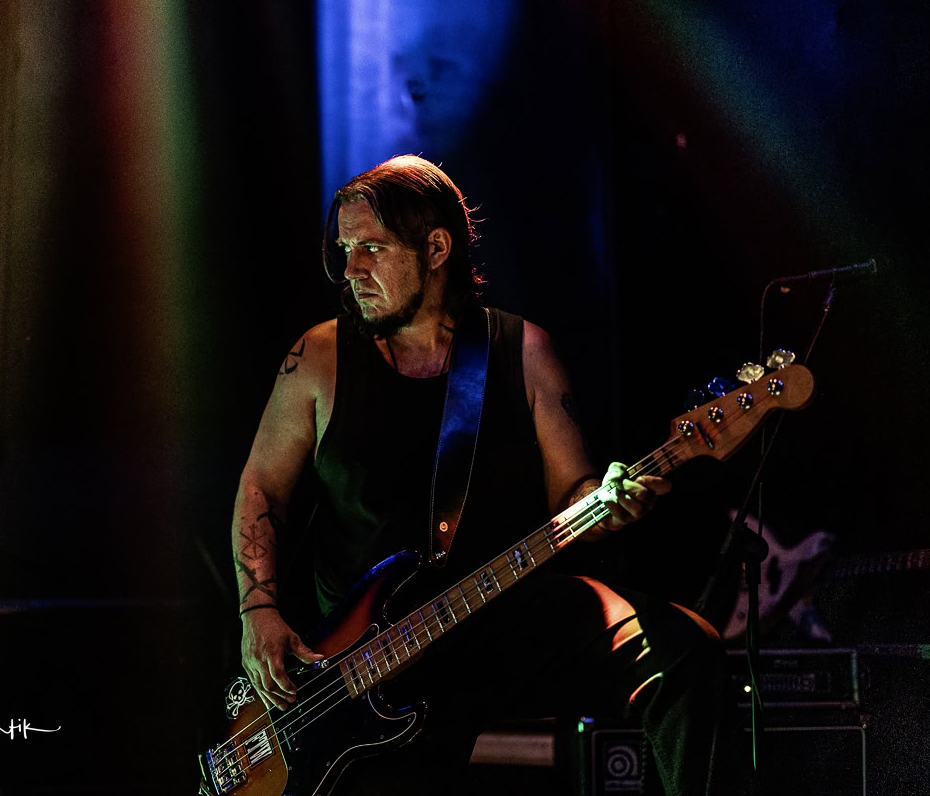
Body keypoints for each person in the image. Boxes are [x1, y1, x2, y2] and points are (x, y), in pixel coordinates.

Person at [230, 155, 738, 795]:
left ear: (436, 249)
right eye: (346, 250)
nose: (352, 270)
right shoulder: (318, 357)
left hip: (498, 613)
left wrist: (608, 501)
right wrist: (259, 611)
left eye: (372, 249)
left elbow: (575, 493)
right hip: (363, 661)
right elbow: (261, 489)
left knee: (685, 649)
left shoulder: (522, 351)